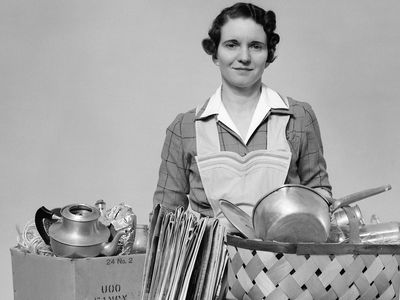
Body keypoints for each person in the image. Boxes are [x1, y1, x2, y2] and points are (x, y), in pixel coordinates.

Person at [153, 2, 332, 228]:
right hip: (210, 262)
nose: (244, 56)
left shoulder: (299, 117)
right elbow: (165, 222)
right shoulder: (184, 128)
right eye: (232, 44)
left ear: (268, 55)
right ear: (215, 54)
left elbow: (319, 197)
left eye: (256, 46)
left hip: (285, 262)